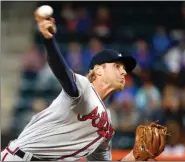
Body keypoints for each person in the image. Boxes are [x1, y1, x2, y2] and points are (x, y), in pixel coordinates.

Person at [1, 8, 137, 161]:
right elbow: (62, 72)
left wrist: (136, 156)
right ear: (99, 70)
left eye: (124, 69)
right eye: (117, 66)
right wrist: (49, 41)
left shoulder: (108, 123)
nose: (124, 72)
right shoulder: (84, 87)